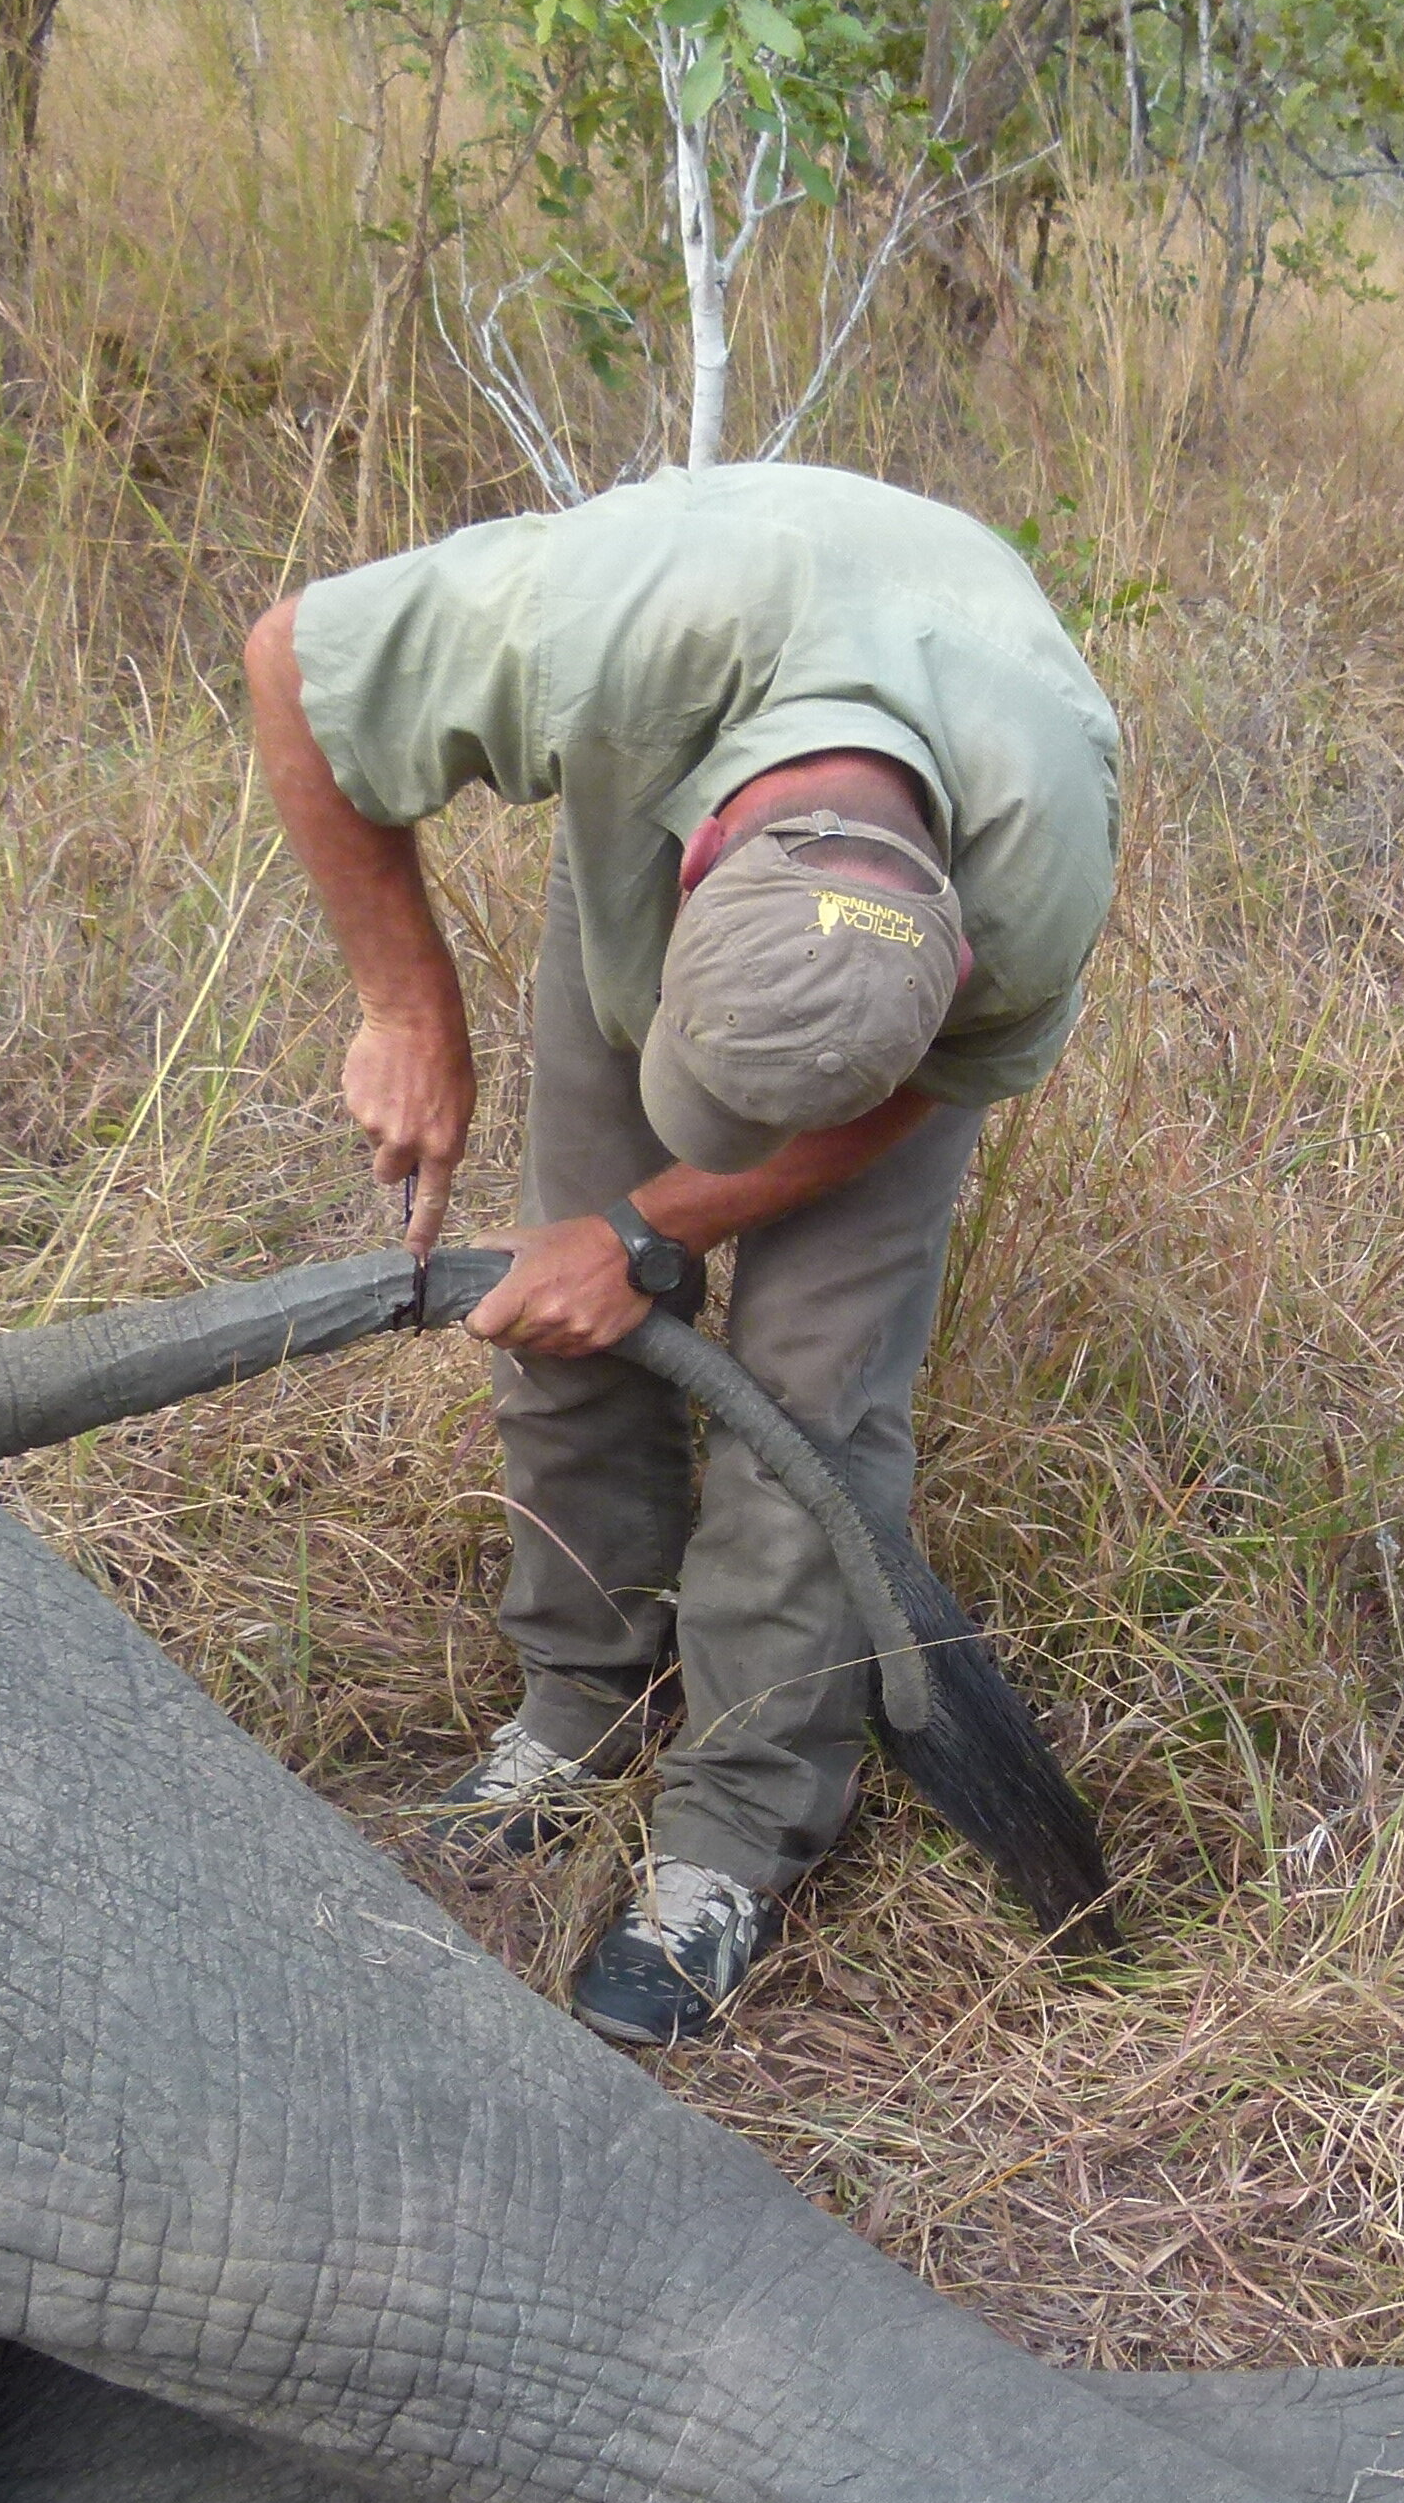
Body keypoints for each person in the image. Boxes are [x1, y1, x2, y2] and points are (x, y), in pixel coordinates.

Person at [243, 465, 1118, 2045]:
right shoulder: (604, 630)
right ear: (696, 862)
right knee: (554, 1311)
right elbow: (291, 666)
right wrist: (406, 1006)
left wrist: (652, 1226)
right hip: (687, 762)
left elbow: (919, 1090)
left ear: (962, 957)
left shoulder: (1039, 854)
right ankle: (583, 1695)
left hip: (895, 962)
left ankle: (733, 1832)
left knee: (809, 1404)